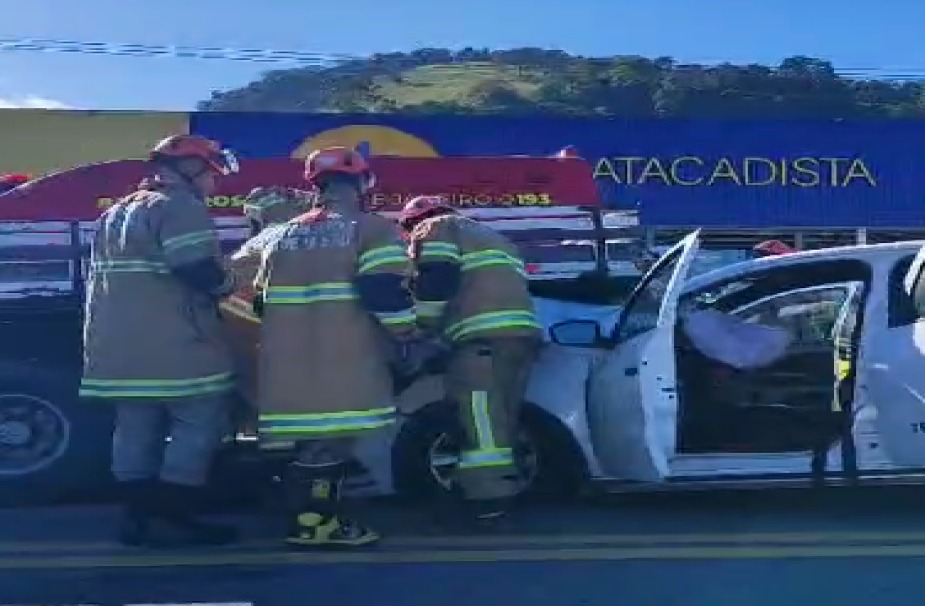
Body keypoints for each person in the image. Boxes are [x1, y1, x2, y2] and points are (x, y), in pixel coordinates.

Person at [80, 134, 240, 547]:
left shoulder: (116, 211)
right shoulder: (179, 205)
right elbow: (196, 267)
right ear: (190, 168)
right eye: (211, 173)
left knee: (135, 429)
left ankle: (136, 518)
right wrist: (231, 285)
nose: (214, 182)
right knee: (198, 423)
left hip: (117, 348)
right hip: (177, 346)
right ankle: (176, 511)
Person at [252, 146, 416, 547]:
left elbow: (258, 301)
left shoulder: (279, 235)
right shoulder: (371, 228)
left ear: (316, 185)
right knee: (331, 445)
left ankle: (314, 521)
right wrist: (408, 333)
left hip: (287, 364)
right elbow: (383, 291)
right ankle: (315, 525)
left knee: (312, 444)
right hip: (346, 360)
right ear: (361, 183)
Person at [398, 195, 543, 521]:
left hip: (479, 338)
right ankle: (508, 489)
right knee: (505, 417)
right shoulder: (495, 237)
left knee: (480, 419)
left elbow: (438, 278)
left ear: (412, 223)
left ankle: (486, 499)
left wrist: (421, 325)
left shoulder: (434, 228)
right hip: (522, 337)